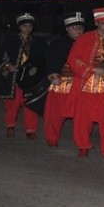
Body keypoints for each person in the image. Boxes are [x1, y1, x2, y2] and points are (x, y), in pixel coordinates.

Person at [67, 6, 104, 157]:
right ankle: (83, 145)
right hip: (87, 83)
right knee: (83, 118)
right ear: (96, 23)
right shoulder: (84, 38)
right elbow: (73, 59)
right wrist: (92, 69)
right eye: (103, 24)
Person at [43, 11, 85, 147]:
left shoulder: (88, 43)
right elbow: (51, 61)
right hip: (63, 82)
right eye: (74, 27)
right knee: (56, 113)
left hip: (82, 83)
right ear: (67, 28)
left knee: (82, 114)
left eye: (80, 27)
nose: (78, 30)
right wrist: (54, 75)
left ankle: (82, 141)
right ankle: (52, 137)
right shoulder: (58, 43)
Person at [0, 12, 42, 139]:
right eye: (24, 26)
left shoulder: (37, 42)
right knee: (12, 103)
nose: (27, 28)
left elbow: (41, 58)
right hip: (14, 78)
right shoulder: (10, 41)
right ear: (19, 27)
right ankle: (10, 126)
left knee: (31, 103)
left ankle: (31, 130)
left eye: (30, 26)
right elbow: (2, 56)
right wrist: (8, 66)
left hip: (30, 78)